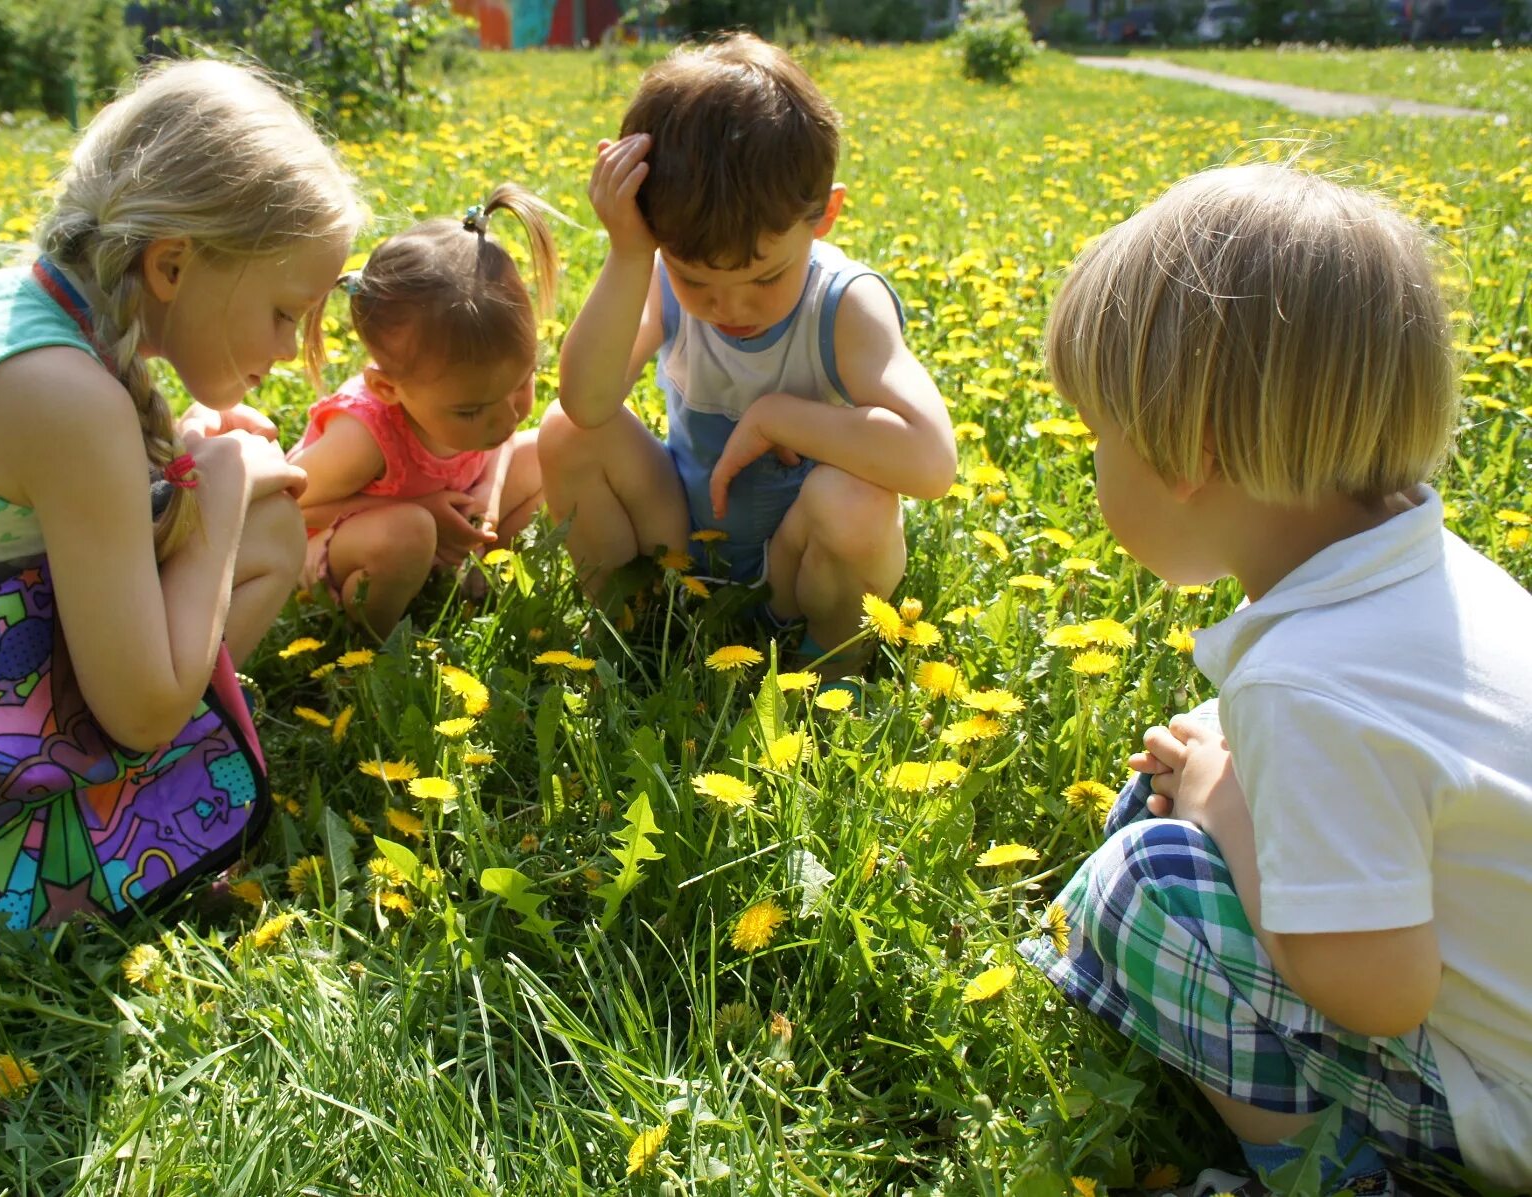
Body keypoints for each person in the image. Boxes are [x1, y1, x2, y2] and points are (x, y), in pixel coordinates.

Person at [1020, 163, 1532, 1195]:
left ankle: (1326, 1179)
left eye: (1096, 435)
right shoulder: (1435, 575)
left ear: (1187, 454)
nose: (1091, 464)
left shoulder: (1307, 684)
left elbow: (1377, 988)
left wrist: (1226, 803)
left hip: (1504, 1104)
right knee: (1164, 794)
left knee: (1141, 888)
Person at [0, 59, 365, 753]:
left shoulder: (33, 322)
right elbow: (141, 717)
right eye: (284, 313)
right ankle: (131, 801)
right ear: (172, 265)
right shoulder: (66, 399)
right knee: (264, 531)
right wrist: (220, 484)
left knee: (263, 526)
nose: (292, 350)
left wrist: (187, 461)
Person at [537, 33, 955, 674]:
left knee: (860, 502)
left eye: (764, 279)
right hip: (681, 544)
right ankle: (635, 629)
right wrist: (628, 253)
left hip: (795, 562)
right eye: (695, 279)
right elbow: (587, 403)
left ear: (824, 216)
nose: (729, 308)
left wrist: (778, 417)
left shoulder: (843, 305)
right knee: (567, 432)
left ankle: (827, 670)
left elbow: (931, 463)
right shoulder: (649, 276)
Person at [287, 184, 556, 636]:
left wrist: (492, 484)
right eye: (471, 412)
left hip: (442, 520)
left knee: (550, 452)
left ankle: (476, 580)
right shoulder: (362, 438)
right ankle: (379, 642)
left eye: (520, 385)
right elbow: (288, 512)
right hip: (349, 552)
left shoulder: (480, 399)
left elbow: (504, 435)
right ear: (387, 388)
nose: (506, 419)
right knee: (408, 531)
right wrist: (422, 510)